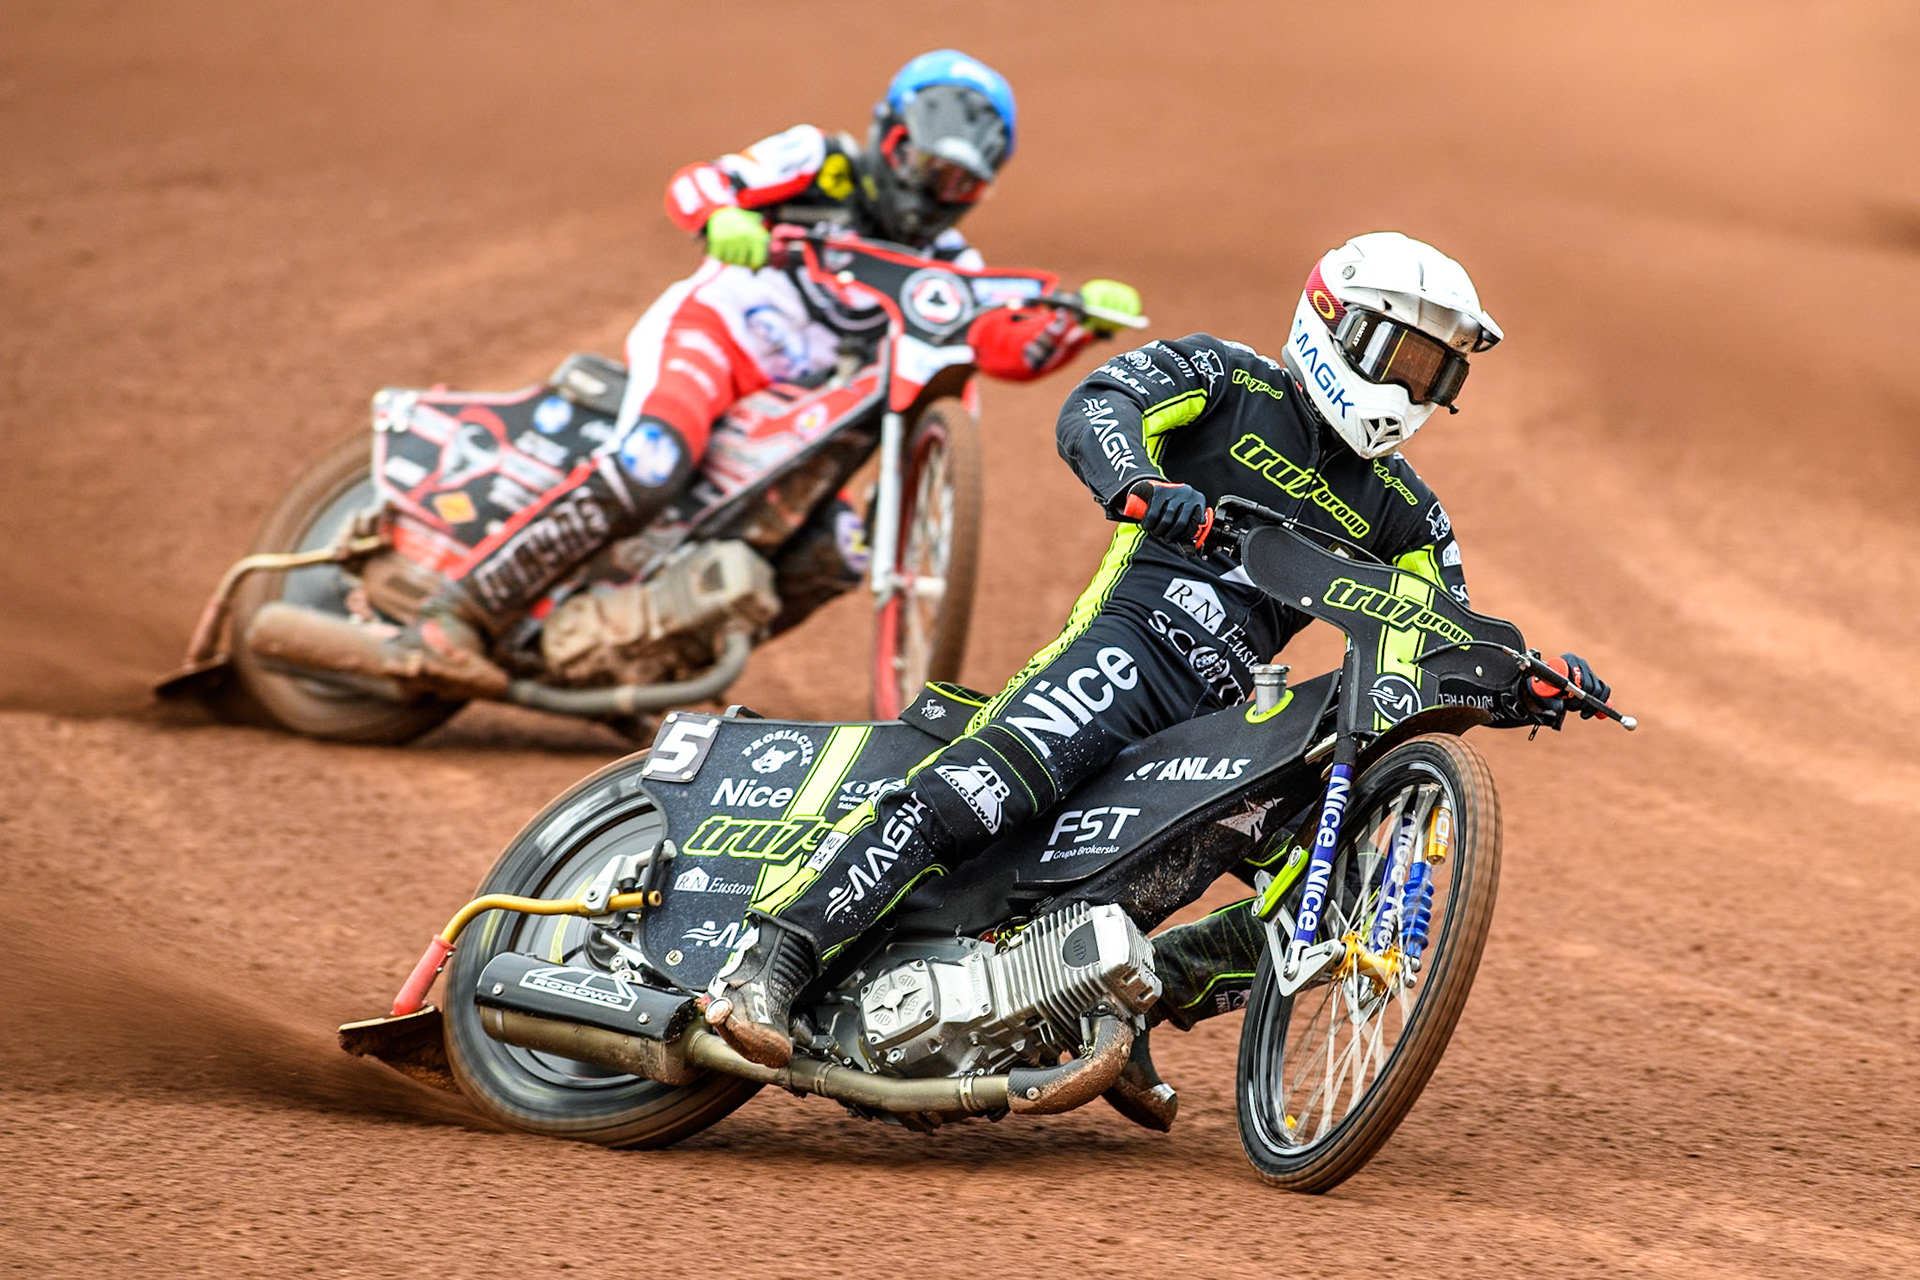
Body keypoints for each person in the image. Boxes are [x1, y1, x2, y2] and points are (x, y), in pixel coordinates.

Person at [699, 231, 1613, 1127]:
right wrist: (1139, 481)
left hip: (1233, 709)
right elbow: (1097, 406)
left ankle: (1134, 999)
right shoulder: (1227, 377)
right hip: (1130, 644)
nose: (1414, 389)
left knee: (1328, 901)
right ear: (1334, 322)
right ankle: (773, 960)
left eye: (1436, 375)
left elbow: (1437, 638)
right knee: (989, 790)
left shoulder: (1409, 513)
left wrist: (1515, 684)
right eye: (1404, 357)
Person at [362, 50, 1142, 695]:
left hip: (792, 409)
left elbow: (997, 345)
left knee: (841, 544)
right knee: (651, 464)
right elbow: (698, 184)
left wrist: (1074, 322)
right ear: (887, 135)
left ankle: (660, 656)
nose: (931, 194)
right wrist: (724, 218)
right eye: (923, 165)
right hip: (717, 334)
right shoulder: (817, 159)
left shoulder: (950, 266)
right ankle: (452, 615)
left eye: (959, 184)